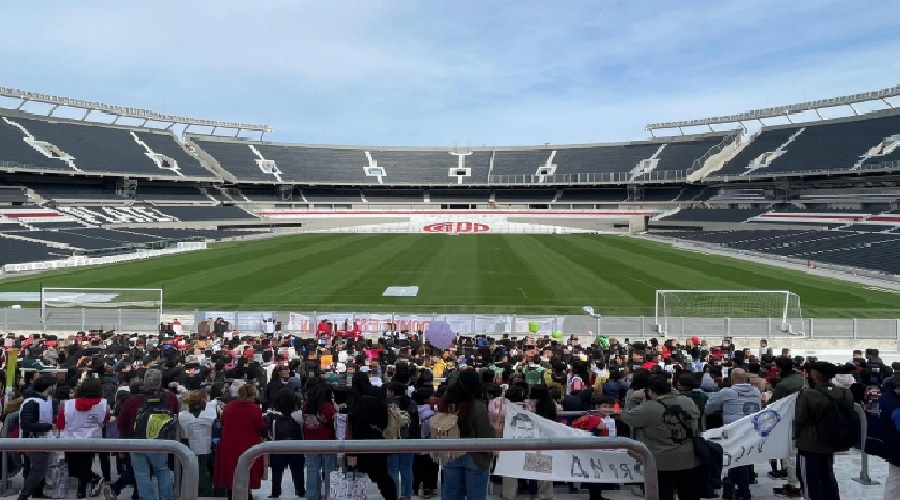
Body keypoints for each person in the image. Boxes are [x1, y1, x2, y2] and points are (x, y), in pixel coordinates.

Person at [620, 375, 701, 500]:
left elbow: (627, 417)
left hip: (660, 462)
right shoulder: (687, 401)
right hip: (688, 458)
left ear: (651, 391)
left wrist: (633, 399)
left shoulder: (649, 408)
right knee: (689, 494)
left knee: (662, 495)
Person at [117, 368, 179, 500]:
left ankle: (147, 497)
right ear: (160, 381)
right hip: (161, 441)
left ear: (144, 382)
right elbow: (175, 417)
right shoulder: (170, 397)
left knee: (141, 473)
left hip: (137, 441)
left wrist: (126, 439)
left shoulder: (133, 400)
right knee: (162, 470)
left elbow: (121, 422)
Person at [795, 361, 853, 500]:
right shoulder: (846, 393)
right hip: (833, 440)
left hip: (810, 443)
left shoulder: (809, 395)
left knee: (810, 480)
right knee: (827, 475)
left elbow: (799, 419)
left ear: (817, 374)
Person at [705, 368, 761, 500]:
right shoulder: (757, 391)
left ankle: (743, 492)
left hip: (735, 431)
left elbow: (709, 408)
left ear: (732, 379)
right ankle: (736, 486)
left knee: (737, 460)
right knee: (744, 459)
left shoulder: (727, 392)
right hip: (753, 430)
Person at [439, 369, 492, 500]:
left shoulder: (446, 404)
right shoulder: (478, 407)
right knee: (476, 496)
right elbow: (485, 436)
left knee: (451, 494)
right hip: (475, 457)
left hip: (451, 454)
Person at [57, 377, 109, 499]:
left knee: (74, 467)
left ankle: (83, 488)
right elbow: (103, 422)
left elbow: (60, 424)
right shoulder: (103, 405)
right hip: (92, 440)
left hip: (71, 441)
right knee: (86, 464)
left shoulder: (67, 405)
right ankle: (88, 482)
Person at [348, 372, 397, 500]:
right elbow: (384, 420)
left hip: (362, 441)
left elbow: (358, 425)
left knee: (358, 475)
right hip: (378, 438)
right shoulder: (377, 393)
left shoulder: (358, 399)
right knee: (382, 475)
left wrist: (352, 451)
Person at [214, 383, 266, 500]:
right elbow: (261, 427)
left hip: (229, 445)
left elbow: (222, 422)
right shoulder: (255, 410)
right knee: (247, 473)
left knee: (231, 473)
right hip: (249, 445)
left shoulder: (228, 407)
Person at [18, 378, 57, 500]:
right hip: (33, 440)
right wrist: (50, 426)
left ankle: (36, 492)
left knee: (40, 467)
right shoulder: (31, 402)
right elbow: (26, 424)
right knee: (39, 468)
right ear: (49, 387)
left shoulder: (46, 400)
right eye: (54, 385)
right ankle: (24, 495)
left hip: (41, 439)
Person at [177, 390, 217, 496]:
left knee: (188, 472)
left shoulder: (182, 416)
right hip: (206, 448)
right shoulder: (211, 414)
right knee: (203, 471)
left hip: (189, 447)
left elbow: (183, 434)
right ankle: (205, 493)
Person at [267, 388, 305, 499]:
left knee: (277, 471)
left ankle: (275, 492)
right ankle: (300, 490)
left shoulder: (272, 415)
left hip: (278, 448)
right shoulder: (298, 415)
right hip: (296, 447)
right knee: (298, 471)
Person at [303, 382, 338, 500]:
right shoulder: (328, 406)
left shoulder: (306, 405)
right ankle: (330, 495)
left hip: (310, 442)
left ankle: (312, 495)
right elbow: (335, 421)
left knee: (312, 470)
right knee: (329, 469)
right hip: (327, 441)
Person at [879, 373, 900, 500]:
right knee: (895, 480)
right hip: (897, 447)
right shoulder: (895, 405)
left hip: (892, 446)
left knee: (895, 480)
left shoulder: (885, 399)